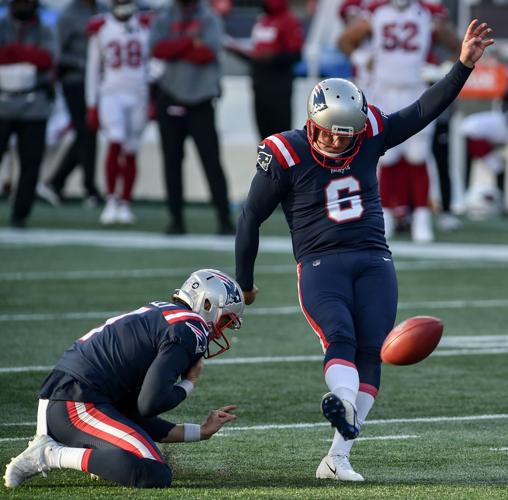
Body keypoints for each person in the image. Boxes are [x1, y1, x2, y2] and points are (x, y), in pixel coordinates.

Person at [235, 20, 493, 481]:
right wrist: (245, 281)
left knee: (372, 349)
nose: (338, 140)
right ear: (313, 122)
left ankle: (338, 456)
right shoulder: (286, 153)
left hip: (375, 257)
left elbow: (419, 112)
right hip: (320, 263)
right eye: (330, 132)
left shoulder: (369, 130)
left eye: (346, 133)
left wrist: (462, 68)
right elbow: (250, 218)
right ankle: (342, 403)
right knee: (341, 338)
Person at [4, 268, 245, 489]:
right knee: (154, 472)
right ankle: (50, 455)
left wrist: (201, 431)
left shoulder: (161, 311)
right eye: (225, 320)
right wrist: (189, 383)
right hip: (77, 403)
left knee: (140, 446)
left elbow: (136, 416)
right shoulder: (191, 328)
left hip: (67, 397)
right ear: (207, 303)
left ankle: (69, 450)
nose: (220, 331)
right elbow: (151, 403)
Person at [339, 0, 461, 242]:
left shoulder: (428, 13)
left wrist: (444, 69)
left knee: (418, 155)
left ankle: (421, 217)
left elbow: (458, 46)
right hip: (382, 89)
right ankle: (385, 214)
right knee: (387, 155)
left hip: (416, 90)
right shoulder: (376, 11)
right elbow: (344, 40)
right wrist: (363, 60)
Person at [149, 0, 235, 236]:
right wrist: (189, 42)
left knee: (211, 161)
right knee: (172, 162)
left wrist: (175, 47)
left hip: (201, 98)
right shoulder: (165, 14)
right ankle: (175, 219)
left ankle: (224, 219)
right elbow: (156, 49)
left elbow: (207, 52)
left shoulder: (209, 16)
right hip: (171, 95)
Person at [86, 0, 152, 225]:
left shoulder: (145, 24)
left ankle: (125, 202)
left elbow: (153, 62)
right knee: (115, 141)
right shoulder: (101, 26)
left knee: (132, 148)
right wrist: (91, 103)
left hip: (139, 94)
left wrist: (152, 94)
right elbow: (93, 68)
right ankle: (111, 199)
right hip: (111, 93)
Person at [38, 0, 105, 209]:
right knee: (86, 131)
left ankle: (56, 182)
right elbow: (57, 52)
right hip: (75, 81)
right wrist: (80, 62)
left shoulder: (102, 10)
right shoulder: (69, 15)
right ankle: (89, 188)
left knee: (87, 133)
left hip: (99, 83)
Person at [0, 0, 57, 228]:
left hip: (34, 104)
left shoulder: (45, 30)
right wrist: (26, 56)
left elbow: (47, 59)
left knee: (31, 162)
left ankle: (20, 214)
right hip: (2, 102)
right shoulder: (3, 26)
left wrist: (13, 53)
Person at [223, 0, 304, 140]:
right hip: (260, 86)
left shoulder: (289, 21)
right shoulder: (262, 20)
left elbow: (296, 55)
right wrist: (237, 51)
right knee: (264, 140)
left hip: (279, 89)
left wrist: (273, 58)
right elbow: (256, 55)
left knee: (281, 139)